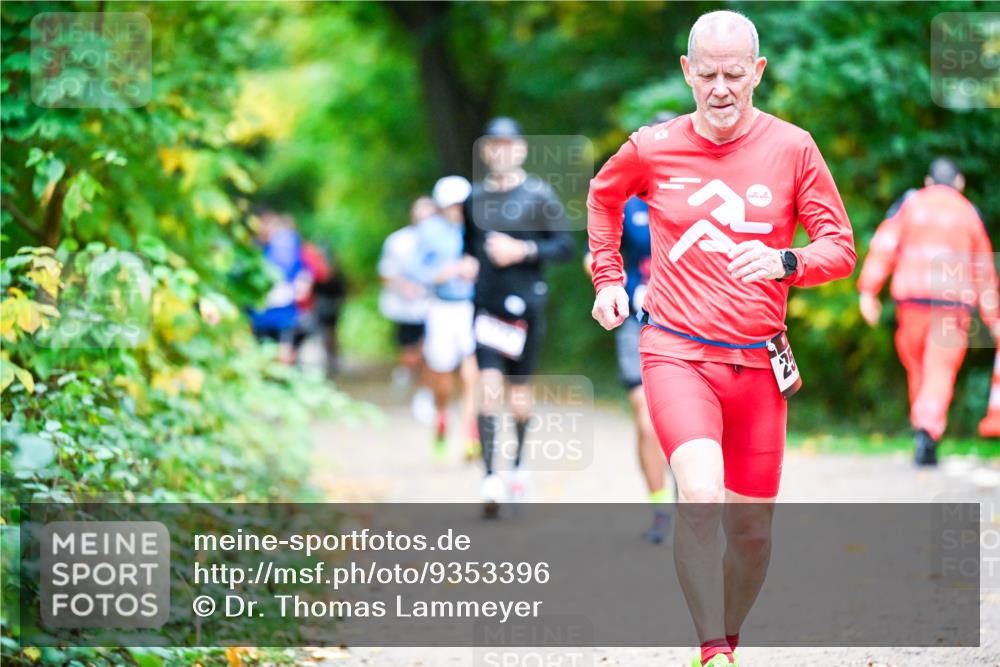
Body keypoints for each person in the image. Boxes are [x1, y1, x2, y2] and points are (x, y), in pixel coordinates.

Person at [587, 11, 856, 667]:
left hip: (761, 364)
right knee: (702, 493)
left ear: (757, 72)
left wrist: (786, 261)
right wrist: (607, 277)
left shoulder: (794, 148)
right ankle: (712, 649)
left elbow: (840, 248)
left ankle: (727, 635)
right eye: (707, 74)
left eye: (735, 74)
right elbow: (602, 194)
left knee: (753, 533)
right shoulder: (653, 146)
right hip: (677, 350)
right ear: (687, 72)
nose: (721, 88)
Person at [465, 116, 575, 515]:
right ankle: (490, 477)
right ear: (485, 152)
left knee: (520, 398)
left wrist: (522, 251)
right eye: (493, 145)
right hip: (486, 307)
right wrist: (466, 265)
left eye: (508, 145)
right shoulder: (473, 198)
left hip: (527, 306)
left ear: (521, 149)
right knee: (488, 387)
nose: (501, 152)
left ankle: (517, 467)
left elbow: (565, 246)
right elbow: (469, 247)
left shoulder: (539, 195)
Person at [857, 157, 998, 465]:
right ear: (959, 183)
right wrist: (994, 318)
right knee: (940, 371)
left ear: (928, 181)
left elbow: (884, 246)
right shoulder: (968, 213)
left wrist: (868, 291)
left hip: (911, 304)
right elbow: (984, 271)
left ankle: (923, 428)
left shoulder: (910, 204)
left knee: (918, 369)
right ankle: (927, 429)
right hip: (951, 306)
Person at [584, 111, 679, 545]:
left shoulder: (704, 195)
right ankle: (661, 508)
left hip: (690, 322)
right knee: (647, 422)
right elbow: (597, 252)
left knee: (687, 422)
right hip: (638, 321)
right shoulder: (628, 198)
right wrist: (606, 282)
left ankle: (695, 504)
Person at [407, 176, 481, 460]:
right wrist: (445, 272)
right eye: (452, 205)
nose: (458, 210)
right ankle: (441, 416)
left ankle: (470, 431)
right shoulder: (428, 232)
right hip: (440, 307)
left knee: (471, 370)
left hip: (472, 306)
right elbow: (415, 271)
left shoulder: (478, 229)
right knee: (442, 372)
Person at [378, 198, 434, 420]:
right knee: (411, 353)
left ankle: (424, 393)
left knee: (430, 351)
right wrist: (405, 287)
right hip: (405, 309)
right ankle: (407, 372)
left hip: (434, 307)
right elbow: (385, 273)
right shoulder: (398, 241)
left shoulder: (445, 239)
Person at [250, 208, 307, 365]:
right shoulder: (251, 248)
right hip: (259, 316)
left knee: (284, 356)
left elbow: (302, 271)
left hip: (284, 315)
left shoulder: (286, 245)